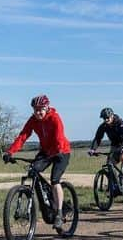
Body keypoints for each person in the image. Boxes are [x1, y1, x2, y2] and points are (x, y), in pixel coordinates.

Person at [4, 94, 72, 232]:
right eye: (35, 110)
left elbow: (59, 135)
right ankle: (47, 203)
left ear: (47, 108)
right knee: (33, 171)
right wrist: (10, 152)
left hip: (62, 151)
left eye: (41, 109)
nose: (38, 112)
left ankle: (59, 212)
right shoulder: (33, 120)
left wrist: (58, 150)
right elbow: (23, 136)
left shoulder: (54, 118)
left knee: (55, 180)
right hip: (46, 151)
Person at [89, 107, 123, 186]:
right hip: (115, 146)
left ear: (112, 116)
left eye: (107, 118)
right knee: (110, 164)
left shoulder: (120, 123)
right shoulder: (103, 126)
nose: (106, 120)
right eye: (104, 118)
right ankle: (115, 186)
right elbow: (98, 138)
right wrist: (92, 149)